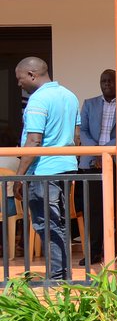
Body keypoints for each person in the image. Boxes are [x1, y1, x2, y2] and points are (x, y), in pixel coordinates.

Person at [14, 57, 79, 280]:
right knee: (59, 222)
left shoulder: (38, 100)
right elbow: (76, 136)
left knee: (46, 223)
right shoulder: (69, 96)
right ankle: (62, 273)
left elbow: (33, 141)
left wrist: (19, 178)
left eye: (20, 78)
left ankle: (57, 276)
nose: (19, 84)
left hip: (44, 170)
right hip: (66, 167)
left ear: (32, 75)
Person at [78, 68, 116, 266]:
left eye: (110, 81)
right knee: (93, 210)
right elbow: (83, 130)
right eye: (104, 81)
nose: (107, 84)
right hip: (92, 163)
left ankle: (115, 252)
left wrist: (106, 152)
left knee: (116, 208)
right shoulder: (89, 104)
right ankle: (93, 253)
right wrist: (96, 153)